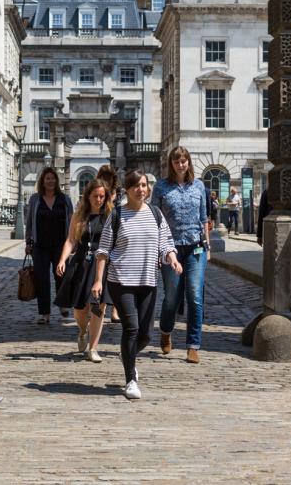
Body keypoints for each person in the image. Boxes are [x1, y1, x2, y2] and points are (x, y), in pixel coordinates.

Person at [93, 170, 182, 400]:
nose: (141, 190)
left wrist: (172, 258)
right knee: (130, 328)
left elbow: (166, 243)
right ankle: (130, 379)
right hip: (121, 281)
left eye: (144, 185)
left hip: (147, 281)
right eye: (136, 186)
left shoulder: (155, 214)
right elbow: (103, 251)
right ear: (127, 189)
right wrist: (97, 282)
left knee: (145, 336)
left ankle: (128, 354)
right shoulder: (117, 215)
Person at [152, 147, 210, 363]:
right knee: (171, 298)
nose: (180, 165)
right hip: (171, 249)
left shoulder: (199, 186)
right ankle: (166, 330)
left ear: (189, 163)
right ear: (171, 164)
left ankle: (193, 345)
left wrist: (208, 247)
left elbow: (204, 218)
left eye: (184, 161)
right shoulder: (161, 187)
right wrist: (158, 251)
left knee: (195, 296)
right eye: (177, 161)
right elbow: (155, 220)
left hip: (196, 248)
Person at [54, 179, 113, 362]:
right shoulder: (79, 215)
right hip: (82, 262)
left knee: (98, 306)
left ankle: (93, 348)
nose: (99, 199)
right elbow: (70, 240)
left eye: (102, 196)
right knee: (80, 309)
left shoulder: (111, 215)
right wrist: (63, 259)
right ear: (87, 196)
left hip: (101, 264)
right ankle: (82, 330)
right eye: (95, 196)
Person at [24, 166, 74, 323]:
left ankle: (62, 304)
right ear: (43, 181)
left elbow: (72, 221)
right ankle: (44, 314)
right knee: (41, 280)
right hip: (40, 246)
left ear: (56, 181)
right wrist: (28, 242)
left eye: (53, 178)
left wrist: (73, 241)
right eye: (47, 179)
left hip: (61, 246)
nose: (50, 181)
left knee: (61, 276)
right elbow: (30, 222)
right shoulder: (35, 199)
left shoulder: (65, 199)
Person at [95, 164, 122, 324]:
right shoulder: (97, 192)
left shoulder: (119, 195)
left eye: (108, 178)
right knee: (99, 278)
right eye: (103, 177)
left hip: (116, 239)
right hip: (99, 237)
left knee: (116, 278)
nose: (106, 181)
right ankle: (98, 310)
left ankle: (115, 311)